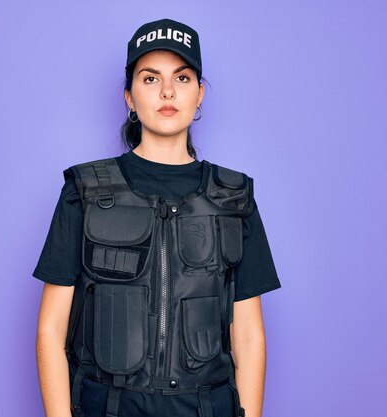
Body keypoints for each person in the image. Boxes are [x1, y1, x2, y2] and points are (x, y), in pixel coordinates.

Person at [34, 18, 281, 417]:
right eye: (150, 79)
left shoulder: (233, 197)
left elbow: (249, 336)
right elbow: (50, 331)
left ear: (199, 94)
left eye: (182, 78)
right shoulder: (85, 190)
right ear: (129, 96)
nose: (167, 91)